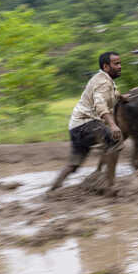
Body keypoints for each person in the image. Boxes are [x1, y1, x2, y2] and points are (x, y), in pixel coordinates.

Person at [50, 51, 123, 191]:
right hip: (86, 124)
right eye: (116, 64)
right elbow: (100, 103)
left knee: (74, 164)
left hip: (76, 126)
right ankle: (110, 185)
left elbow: (111, 93)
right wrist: (113, 125)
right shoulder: (103, 82)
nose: (120, 66)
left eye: (120, 63)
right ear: (106, 66)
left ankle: (53, 189)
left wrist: (121, 97)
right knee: (116, 141)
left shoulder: (103, 79)